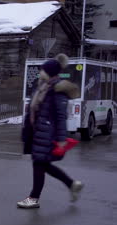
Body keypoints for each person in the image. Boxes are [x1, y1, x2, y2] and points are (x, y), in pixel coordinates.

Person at [18, 54, 83, 209]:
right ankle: (72, 184)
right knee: (44, 165)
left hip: (47, 134)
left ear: (49, 72)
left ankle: (34, 198)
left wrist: (62, 139)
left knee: (39, 164)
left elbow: (61, 117)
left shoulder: (57, 90)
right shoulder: (43, 87)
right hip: (38, 132)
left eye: (43, 70)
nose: (40, 72)